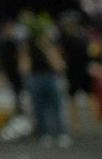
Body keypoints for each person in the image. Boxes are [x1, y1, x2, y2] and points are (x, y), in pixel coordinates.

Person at [23, 14, 71, 148]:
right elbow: (25, 61)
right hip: (37, 77)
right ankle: (46, 134)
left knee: (56, 106)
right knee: (41, 108)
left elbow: (57, 61)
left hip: (49, 76)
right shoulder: (29, 43)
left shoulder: (48, 43)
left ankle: (60, 133)